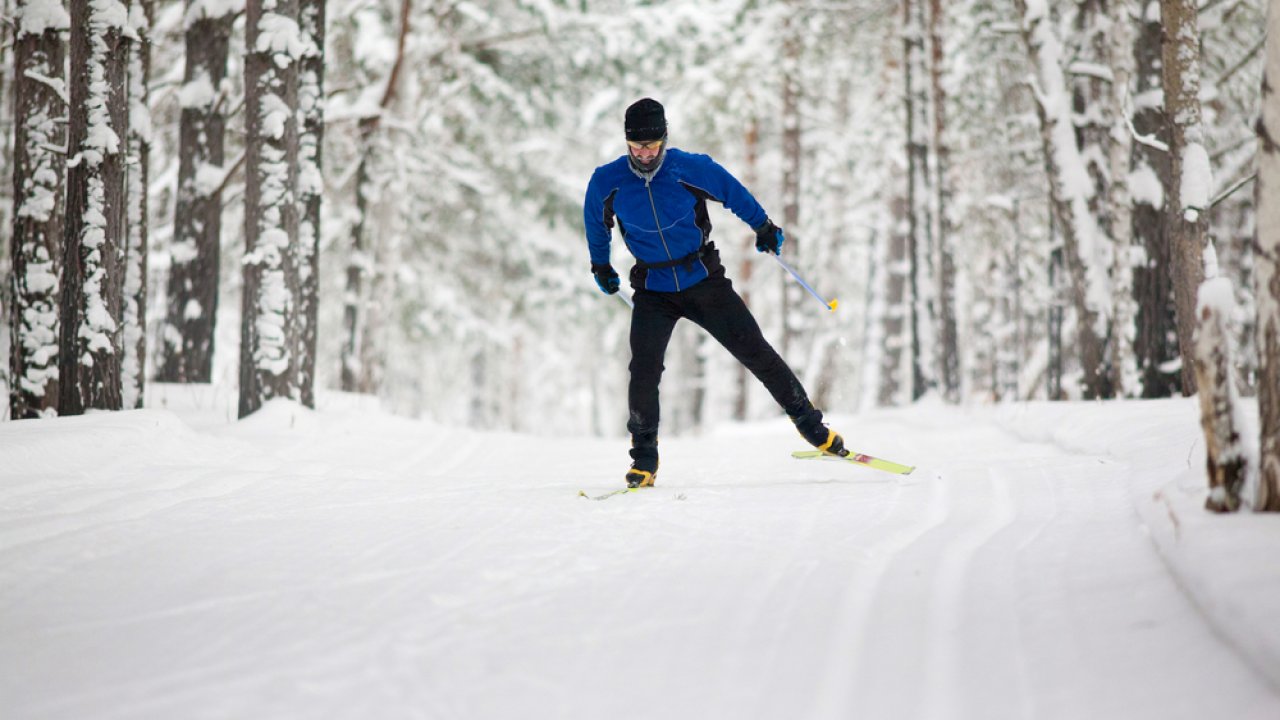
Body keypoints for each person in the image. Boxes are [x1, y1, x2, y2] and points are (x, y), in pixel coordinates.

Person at [582, 97, 846, 488]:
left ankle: (814, 429)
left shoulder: (690, 168)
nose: (645, 154)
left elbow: (733, 192)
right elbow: (595, 224)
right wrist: (601, 266)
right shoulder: (608, 182)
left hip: (703, 279)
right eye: (637, 147)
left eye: (652, 146)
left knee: (756, 352)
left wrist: (763, 226)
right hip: (653, 289)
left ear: (664, 140)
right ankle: (644, 460)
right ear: (626, 143)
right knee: (643, 370)